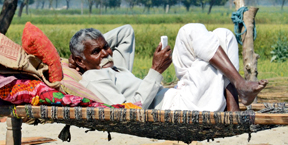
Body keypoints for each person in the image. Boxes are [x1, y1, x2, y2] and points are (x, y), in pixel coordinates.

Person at [68, 23, 267, 111]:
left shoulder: (110, 66)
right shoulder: (94, 79)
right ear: (79, 61)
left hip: (184, 96)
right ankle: (239, 85)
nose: (105, 53)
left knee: (223, 34)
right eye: (96, 52)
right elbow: (129, 112)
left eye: (106, 47)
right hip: (176, 107)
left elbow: (125, 32)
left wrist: (92, 51)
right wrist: (156, 71)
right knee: (191, 31)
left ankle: (234, 103)